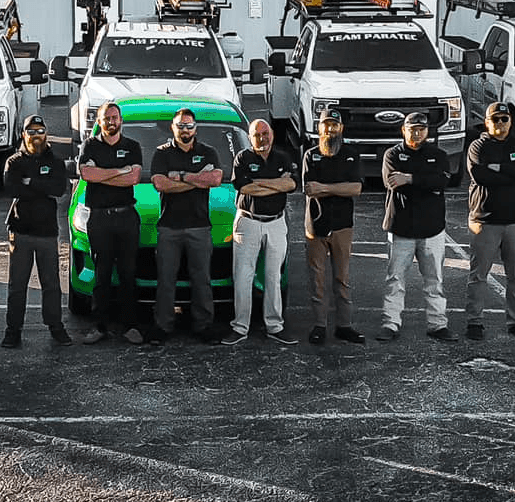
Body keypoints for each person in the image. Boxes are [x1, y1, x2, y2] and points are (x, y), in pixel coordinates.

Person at [464, 102, 515, 341]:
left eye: (504, 119)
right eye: (495, 119)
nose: (500, 123)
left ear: (510, 121)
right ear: (487, 122)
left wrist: (499, 168)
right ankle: (474, 321)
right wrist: (513, 172)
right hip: (486, 221)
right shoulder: (478, 146)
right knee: (478, 276)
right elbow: (481, 175)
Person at [378, 113, 458, 342]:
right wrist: (425, 182)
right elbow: (391, 181)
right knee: (395, 279)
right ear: (403, 130)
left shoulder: (439, 155)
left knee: (435, 280)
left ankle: (438, 324)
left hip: (432, 229)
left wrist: (411, 179)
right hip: (401, 228)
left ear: (427, 131)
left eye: (421, 129)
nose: (417, 133)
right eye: (412, 129)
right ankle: (390, 323)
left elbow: (442, 180)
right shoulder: (392, 154)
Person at [149, 107, 224, 345]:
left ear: (195, 128)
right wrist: (196, 179)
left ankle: (203, 326)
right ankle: (162, 326)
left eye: (189, 126)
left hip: (200, 227)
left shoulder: (208, 152)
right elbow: (161, 184)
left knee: (202, 278)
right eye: (180, 125)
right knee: (166, 279)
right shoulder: (161, 153)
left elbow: (215, 179)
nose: (185, 130)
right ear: (173, 127)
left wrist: (180, 177)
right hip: (169, 227)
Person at [221, 118, 297, 346]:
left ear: (272, 134)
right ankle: (240, 326)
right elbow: (244, 187)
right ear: (250, 137)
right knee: (243, 276)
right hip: (248, 222)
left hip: (276, 223)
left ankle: (275, 326)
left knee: (274, 276)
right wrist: (276, 183)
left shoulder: (283, 157)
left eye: (266, 134)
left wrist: (260, 184)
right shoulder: (243, 157)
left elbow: (292, 185)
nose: (262, 139)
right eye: (257, 135)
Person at [76, 102, 145, 344]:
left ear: (120, 120)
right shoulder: (90, 145)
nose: (111, 121)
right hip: (100, 218)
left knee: (128, 272)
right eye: (106, 118)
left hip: (126, 216)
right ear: (99, 121)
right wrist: (119, 171)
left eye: (114, 117)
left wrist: (103, 173)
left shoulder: (132, 146)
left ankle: (130, 326)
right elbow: (87, 175)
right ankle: (99, 326)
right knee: (102, 273)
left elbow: (134, 177)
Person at [2, 115, 73, 348]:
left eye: (40, 131)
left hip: (47, 232)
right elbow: (11, 188)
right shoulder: (14, 161)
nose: (36, 136)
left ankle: (56, 327)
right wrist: (40, 186)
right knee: (17, 285)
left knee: (51, 284)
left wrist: (30, 183)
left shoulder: (55, 162)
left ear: (46, 134)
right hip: (20, 232)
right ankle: (13, 330)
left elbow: (59, 189)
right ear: (23, 134)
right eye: (30, 132)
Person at [300, 108, 365, 345]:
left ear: (341, 129)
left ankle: (344, 326)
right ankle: (319, 325)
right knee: (317, 279)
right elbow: (309, 188)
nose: (330, 129)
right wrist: (340, 187)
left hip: (342, 226)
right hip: (315, 226)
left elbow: (356, 189)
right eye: (326, 125)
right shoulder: (310, 155)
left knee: (342, 278)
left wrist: (325, 188)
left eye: (334, 125)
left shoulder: (350, 155)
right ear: (319, 128)